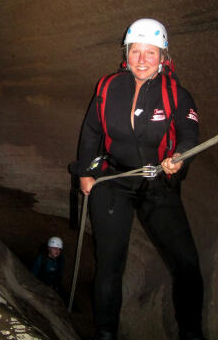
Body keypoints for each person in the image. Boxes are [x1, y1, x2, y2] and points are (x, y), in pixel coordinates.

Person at [77, 19, 204, 340]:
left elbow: (190, 135)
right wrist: (85, 172)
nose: (142, 59)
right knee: (109, 264)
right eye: (136, 51)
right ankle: (106, 333)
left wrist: (180, 157)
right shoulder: (108, 87)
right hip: (114, 180)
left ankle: (191, 332)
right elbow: (91, 129)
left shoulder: (177, 95)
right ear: (126, 53)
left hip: (157, 183)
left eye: (151, 52)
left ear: (163, 57)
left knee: (187, 264)